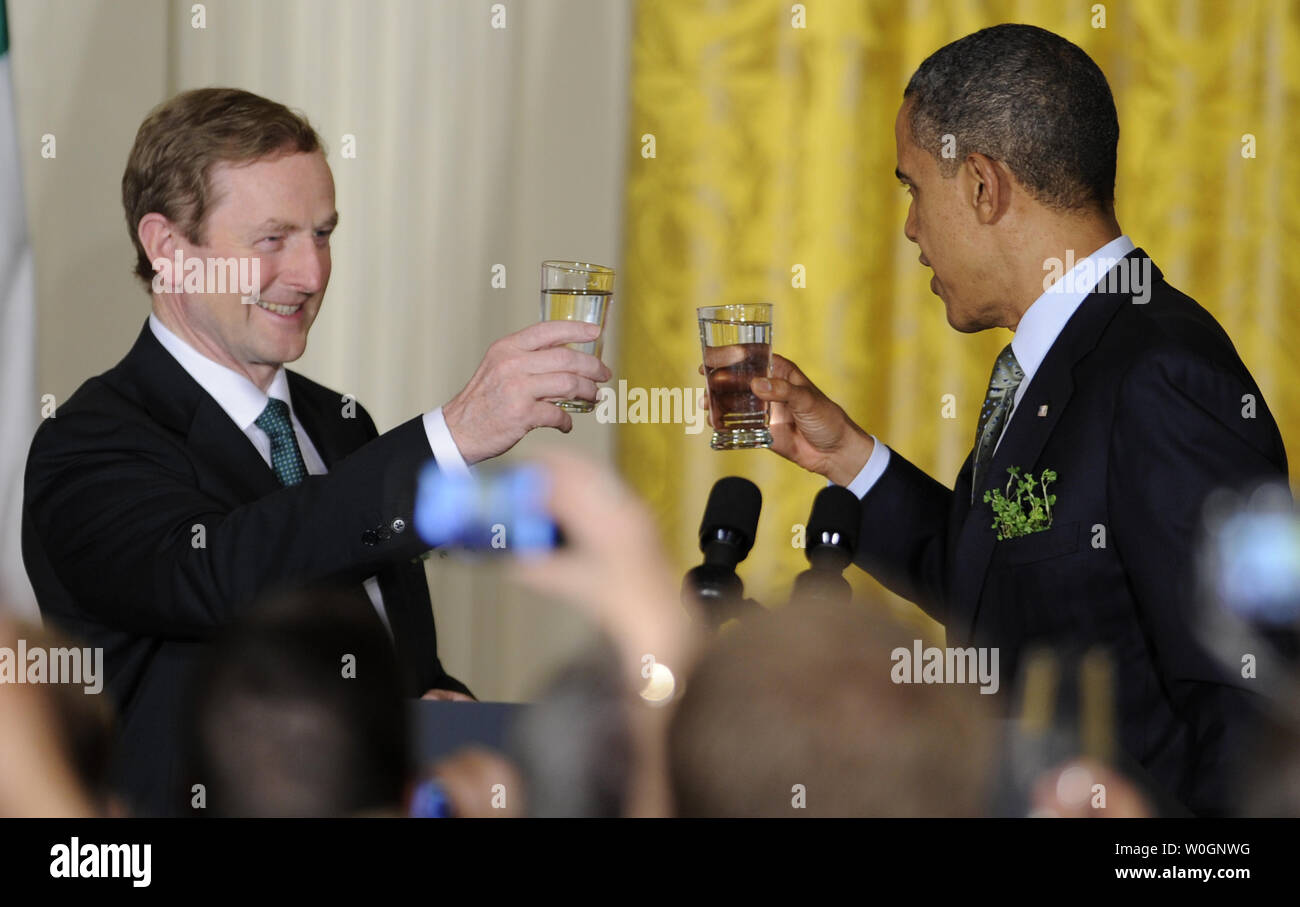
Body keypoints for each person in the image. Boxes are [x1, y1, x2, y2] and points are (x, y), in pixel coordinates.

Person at [21, 88, 610, 815]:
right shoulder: (89, 442)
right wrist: (450, 434)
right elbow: (229, 574)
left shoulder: (342, 425)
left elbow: (383, 648)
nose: (310, 274)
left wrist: (436, 711)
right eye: (272, 240)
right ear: (168, 248)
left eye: (323, 234)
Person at [748, 25, 1288, 816]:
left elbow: (1254, 701)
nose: (909, 228)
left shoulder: (1161, 375)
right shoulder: (1062, 355)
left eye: (912, 187)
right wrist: (851, 458)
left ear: (980, 186)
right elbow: (1005, 579)